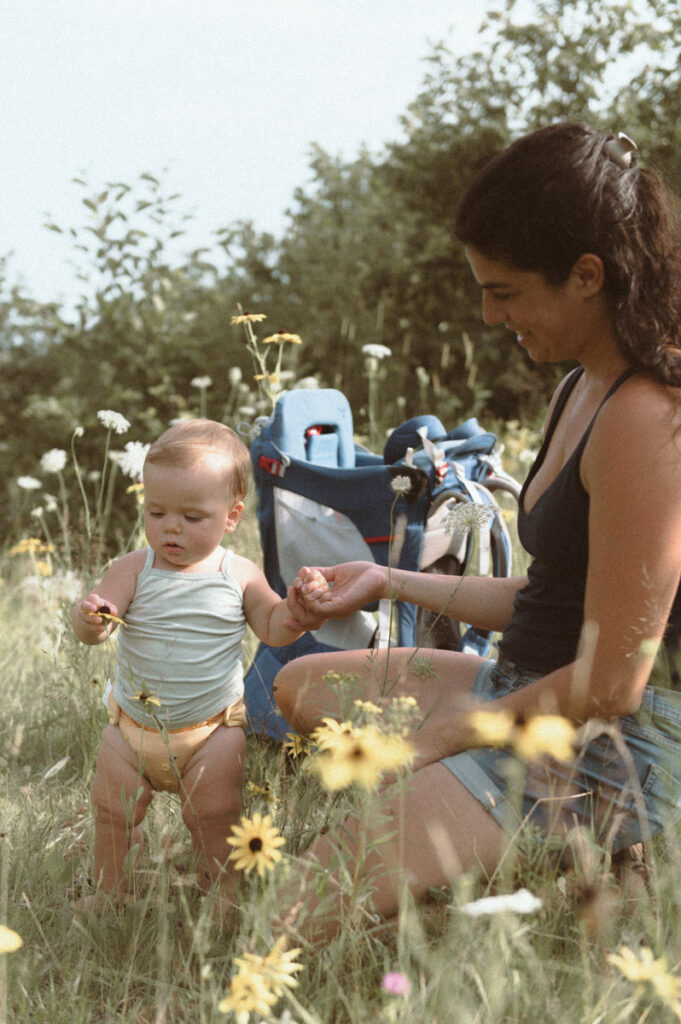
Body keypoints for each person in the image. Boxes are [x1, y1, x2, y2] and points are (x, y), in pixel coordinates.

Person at [274, 122, 681, 943]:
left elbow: (611, 681)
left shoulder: (644, 418)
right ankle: (500, 867)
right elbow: (550, 598)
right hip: (526, 682)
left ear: (586, 276)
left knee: (275, 916)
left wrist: (440, 741)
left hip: (615, 743)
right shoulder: (579, 387)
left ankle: (615, 844)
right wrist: (388, 580)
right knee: (300, 688)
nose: (489, 317)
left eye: (503, 292)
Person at [72, 418, 323, 907]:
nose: (170, 526)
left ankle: (222, 896)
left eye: (191, 517)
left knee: (216, 815)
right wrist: (92, 620)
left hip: (211, 733)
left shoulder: (240, 575)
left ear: (231, 517)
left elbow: (273, 627)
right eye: (157, 511)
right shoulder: (132, 569)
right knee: (110, 811)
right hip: (130, 730)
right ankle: (110, 890)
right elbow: (97, 622)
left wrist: (298, 613)